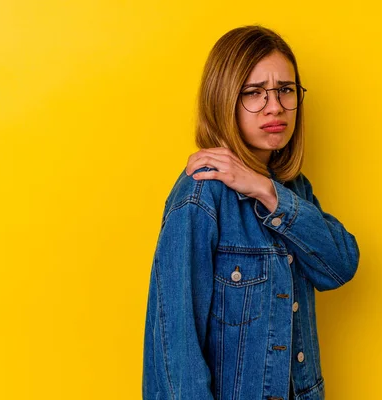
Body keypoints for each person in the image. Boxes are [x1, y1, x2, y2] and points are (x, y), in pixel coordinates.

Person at [142, 25, 360, 400]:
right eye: (254, 93)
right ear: (224, 98)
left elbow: (339, 265)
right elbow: (175, 351)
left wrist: (265, 189)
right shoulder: (200, 194)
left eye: (285, 90)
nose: (274, 106)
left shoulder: (291, 187)